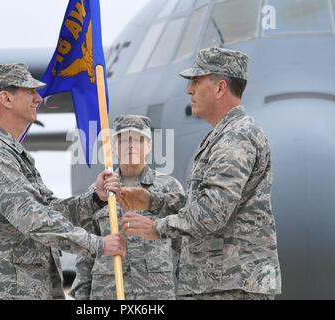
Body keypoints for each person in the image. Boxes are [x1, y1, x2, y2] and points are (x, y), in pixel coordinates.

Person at [118, 47, 282, 300]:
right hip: (216, 283)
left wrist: (156, 228)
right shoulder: (222, 136)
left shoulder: (236, 138)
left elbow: (211, 212)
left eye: (196, 81)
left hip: (232, 284)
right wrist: (154, 201)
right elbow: (204, 204)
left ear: (220, 88)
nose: (189, 90)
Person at [0, 63, 126, 300]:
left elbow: (49, 209)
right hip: (3, 292)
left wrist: (94, 199)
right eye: (30, 92)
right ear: (6, 99)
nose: (39, 98)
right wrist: (98, 244)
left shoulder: (13, 154)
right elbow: (33, 218)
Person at [70, 115, 184, 300]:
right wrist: (82, 297)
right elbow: (86, 251)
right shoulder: (99, 192)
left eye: (139, 140)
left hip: (156, 294)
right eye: (124, 140)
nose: (130, 145)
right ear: (114, 146)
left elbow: (183, 248)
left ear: (149, 145)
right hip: (108, 293)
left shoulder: (169, 188)